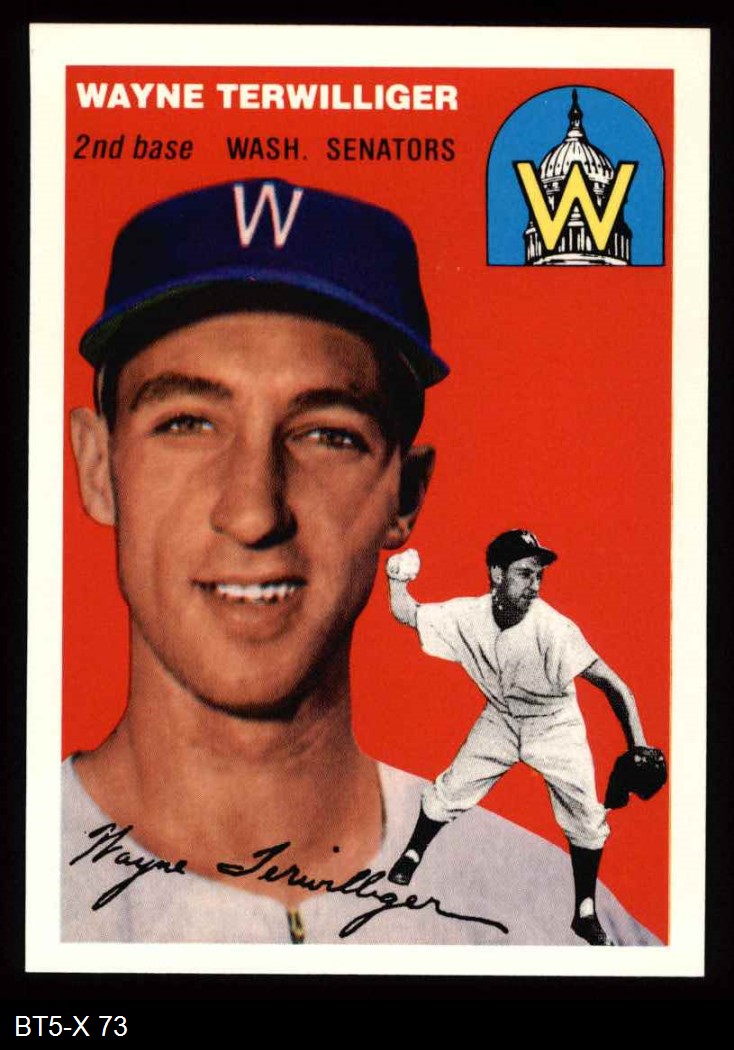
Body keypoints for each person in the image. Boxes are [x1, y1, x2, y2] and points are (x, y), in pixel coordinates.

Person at [63, 178, 658, 945]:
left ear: (405, 494)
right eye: (187, 423)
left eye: (327, 434)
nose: (254, 511)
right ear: (97, 467)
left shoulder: (556, 927)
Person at [385, 532, 663, 946]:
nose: (535, 585)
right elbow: (408, 614)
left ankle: (585, 911)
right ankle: (412, 853)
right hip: (501, 719)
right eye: (525, 574)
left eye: (539, 575)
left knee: (586, 818)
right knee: (451, 788)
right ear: (497, 574)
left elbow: (616, 686)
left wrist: (638, 745)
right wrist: (396, 580)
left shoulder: (554, 629)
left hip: (555, 725)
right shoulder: (466, 616)